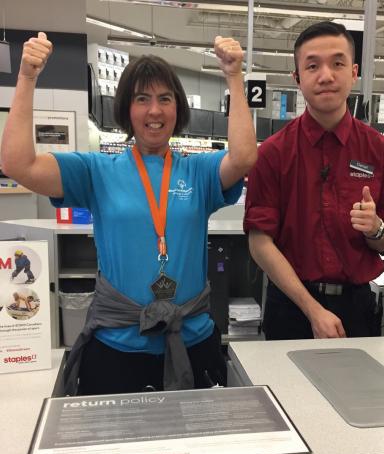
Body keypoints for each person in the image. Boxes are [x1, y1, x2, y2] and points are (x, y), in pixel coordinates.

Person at [1, 32, 257, 395]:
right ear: (126, 109)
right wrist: (26, 77)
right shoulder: (96, 171)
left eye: (164, 99)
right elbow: (17, 164)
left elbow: (245, 157)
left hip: (192, 340)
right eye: (142, 99)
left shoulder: (198, 172)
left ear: (177, 109)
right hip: (117, 346)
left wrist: (234, 75)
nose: (155, 110)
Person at [244, 21, 384, 340]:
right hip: (291, 307)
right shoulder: (273, 153)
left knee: (357, 392)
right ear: (297, 77)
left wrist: (375, 228)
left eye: (338, 63)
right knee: (285, 392)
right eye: (313, 65)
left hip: (356, 309)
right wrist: (312, 310)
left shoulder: (381, 152)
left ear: (354, 72)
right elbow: (260, 242)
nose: (326, 75)